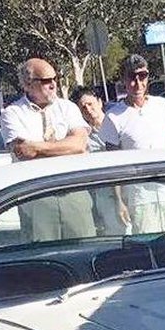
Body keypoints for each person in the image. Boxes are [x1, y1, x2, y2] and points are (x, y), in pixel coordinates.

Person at [0, 58, 94, 241]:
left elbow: (79, 144)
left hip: (73, 191)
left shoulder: (68, 108)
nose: (53, 85)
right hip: (35, 197)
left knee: (84, 248)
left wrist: (37, 147)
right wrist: (64, 146)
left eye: (54, 79)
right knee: (41, 258)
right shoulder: (13, 113)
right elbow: (23, 152)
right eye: (45, 81)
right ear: (27, 85)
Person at [99, 54, 165, 234]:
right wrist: (119, 201)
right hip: (140, 196)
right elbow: (113, 165)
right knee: (149, 246)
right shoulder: (114, 116)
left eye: (142, 76)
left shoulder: (161, 105)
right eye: (132, 78)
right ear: (123, 80)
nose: (138, 83)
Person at [72, 85, 130, 233]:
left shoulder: (118, 123)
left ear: (99, 102)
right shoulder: (84, 138)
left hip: (131, 189)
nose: (88, 110)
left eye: (90, 104)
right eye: (83, 107)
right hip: (105, 196)